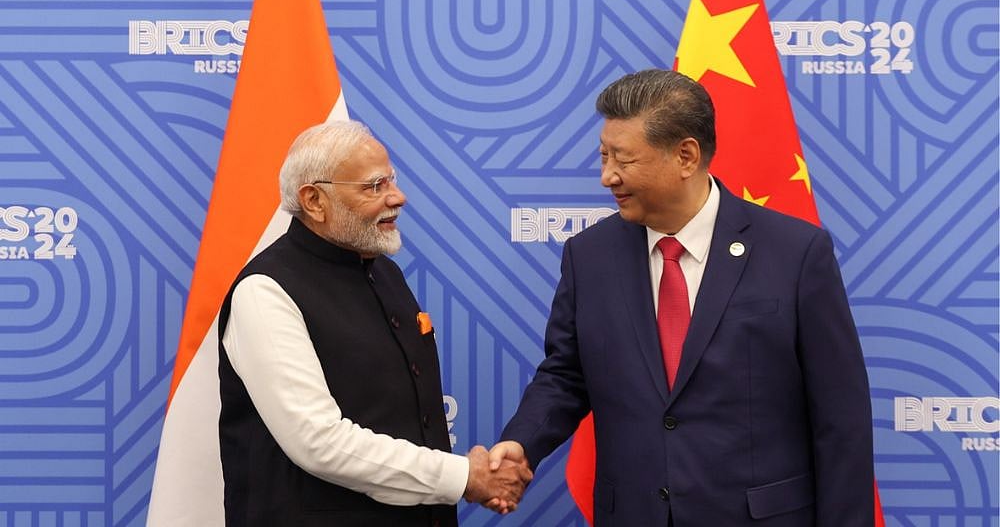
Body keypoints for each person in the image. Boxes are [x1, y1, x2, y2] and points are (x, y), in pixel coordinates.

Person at [489, 70, 874, 525]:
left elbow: (841, 419)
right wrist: (522, 442)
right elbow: (567, 375)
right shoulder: (589, 257)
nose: (606, 176)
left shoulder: (796, 254)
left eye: (623, 160)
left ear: (686, 156)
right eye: (603, 156)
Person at [218, 120, 531, 526]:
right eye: (375, 186)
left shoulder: (384, 272)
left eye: (393, 181)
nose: (398, 197)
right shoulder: (265, 291)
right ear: (314, 200)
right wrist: (464, 477)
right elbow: (319, 442)